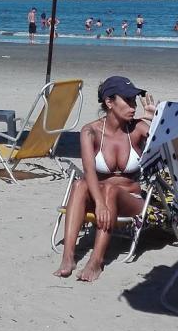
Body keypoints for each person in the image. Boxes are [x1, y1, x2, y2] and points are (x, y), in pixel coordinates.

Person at [54, 76, 156, 281]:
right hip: (99, 199)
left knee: (109, 189)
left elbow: (169, 146)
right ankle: (68, 257)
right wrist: (99, 203)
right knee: (80, 184)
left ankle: (96, 261)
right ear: (109, 102)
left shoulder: (138, 128)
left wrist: (153, 121)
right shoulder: (90, 131)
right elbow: (89, 171)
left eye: (134, 101)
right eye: (127, 101)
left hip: (131, 200)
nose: (133, 106)